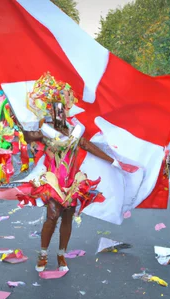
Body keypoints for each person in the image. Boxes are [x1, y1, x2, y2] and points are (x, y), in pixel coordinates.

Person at [22, 91, 116, 272]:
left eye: (62, 111)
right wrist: (26, 119)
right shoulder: (45, 132)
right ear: (50, 113)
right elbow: (28, 136)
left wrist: (115, 162)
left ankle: (61, 254)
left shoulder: (76, 132)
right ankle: (43, 254)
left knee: (67, 219)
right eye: (55, 111)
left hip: (72, 183)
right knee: (52, 216)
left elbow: (89, 146)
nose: (59, 114)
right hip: (52, 181)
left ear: (66, 112)